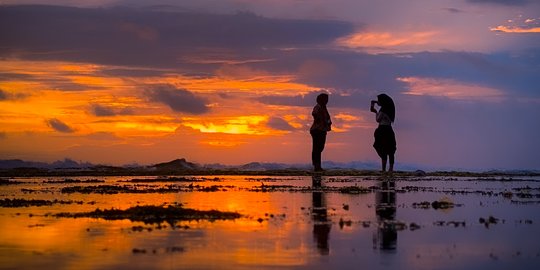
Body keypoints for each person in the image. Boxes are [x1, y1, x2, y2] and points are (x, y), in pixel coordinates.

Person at [370, 94, 396, 172]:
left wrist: (375, 112)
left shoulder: (383, 110)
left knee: (382, 148)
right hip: (389, 129)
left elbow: (378, 119)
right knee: (390, 149)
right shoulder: (389, 110)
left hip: (382, 129)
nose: (378, 102)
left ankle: (383, 169)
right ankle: (391, 168)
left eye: (379, 100)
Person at [310, 93, 332, 172]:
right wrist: (319, 118)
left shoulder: (324, 108)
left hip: (322, 130)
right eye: (325, 99)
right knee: (317, 148)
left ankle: (317, 165)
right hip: (317, 130)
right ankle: (317, 166)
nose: (326, 101)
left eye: (327, 100)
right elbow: (314, 113)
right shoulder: (318, 106)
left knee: (320, 147)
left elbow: (327, 118)